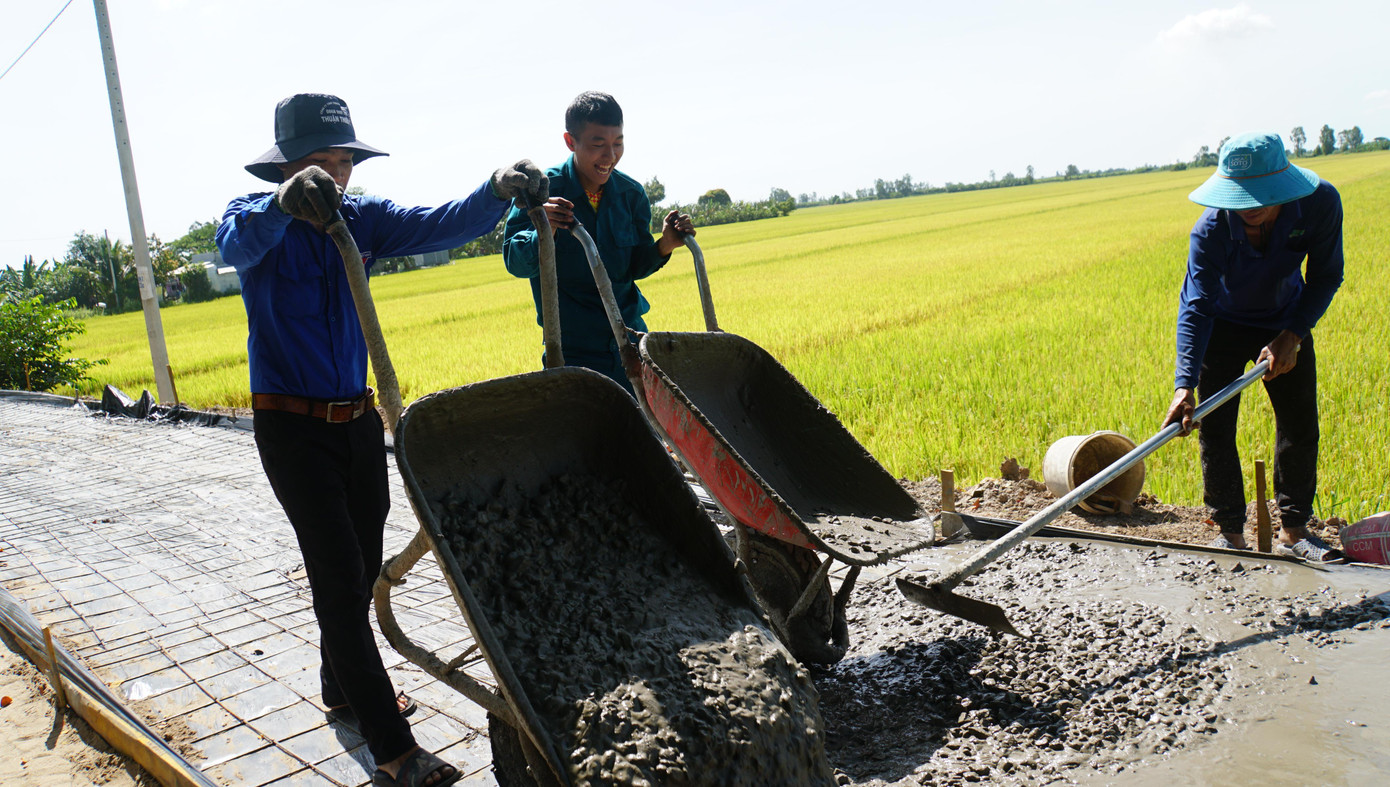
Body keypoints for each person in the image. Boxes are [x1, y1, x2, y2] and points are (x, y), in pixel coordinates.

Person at [216, 93, 545, 787]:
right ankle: (394, 750)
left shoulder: (362, 220)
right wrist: (283, 202)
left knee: (363, 566)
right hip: (292, 426)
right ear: (287, 168)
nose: (336, 177)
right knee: (337, 578)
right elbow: (236, 243)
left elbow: (442, 223)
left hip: (360, 422)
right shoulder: (254, 217)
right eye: (320, 164)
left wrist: (495, 187)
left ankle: (340, 686)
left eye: (344, 163)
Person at [1162, 131, 1346, 562]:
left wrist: (1293, 335)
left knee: (1299, 423)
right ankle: (1229, 531)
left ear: (1283, 186)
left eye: (1261, 197)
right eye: (1239, 197)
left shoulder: (1319, 204)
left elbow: (1325, 276)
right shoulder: (1210, 231)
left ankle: (1295, 530)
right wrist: (1183, 385)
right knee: (1215, 426)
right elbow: (1196, 306)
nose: (1250, 207)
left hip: (1286, 318)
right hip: (1223, 324)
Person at [502, 91, 695, 394]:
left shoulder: (631, 194)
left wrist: (665, 244)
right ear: (570, 142)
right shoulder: (538, 193)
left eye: (618, 143)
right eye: (598, 144)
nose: (610, 156)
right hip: (572, 352)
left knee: (646, 434)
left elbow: (632, 268)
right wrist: (544, 228)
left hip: (631, 341)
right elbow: (514, 261)